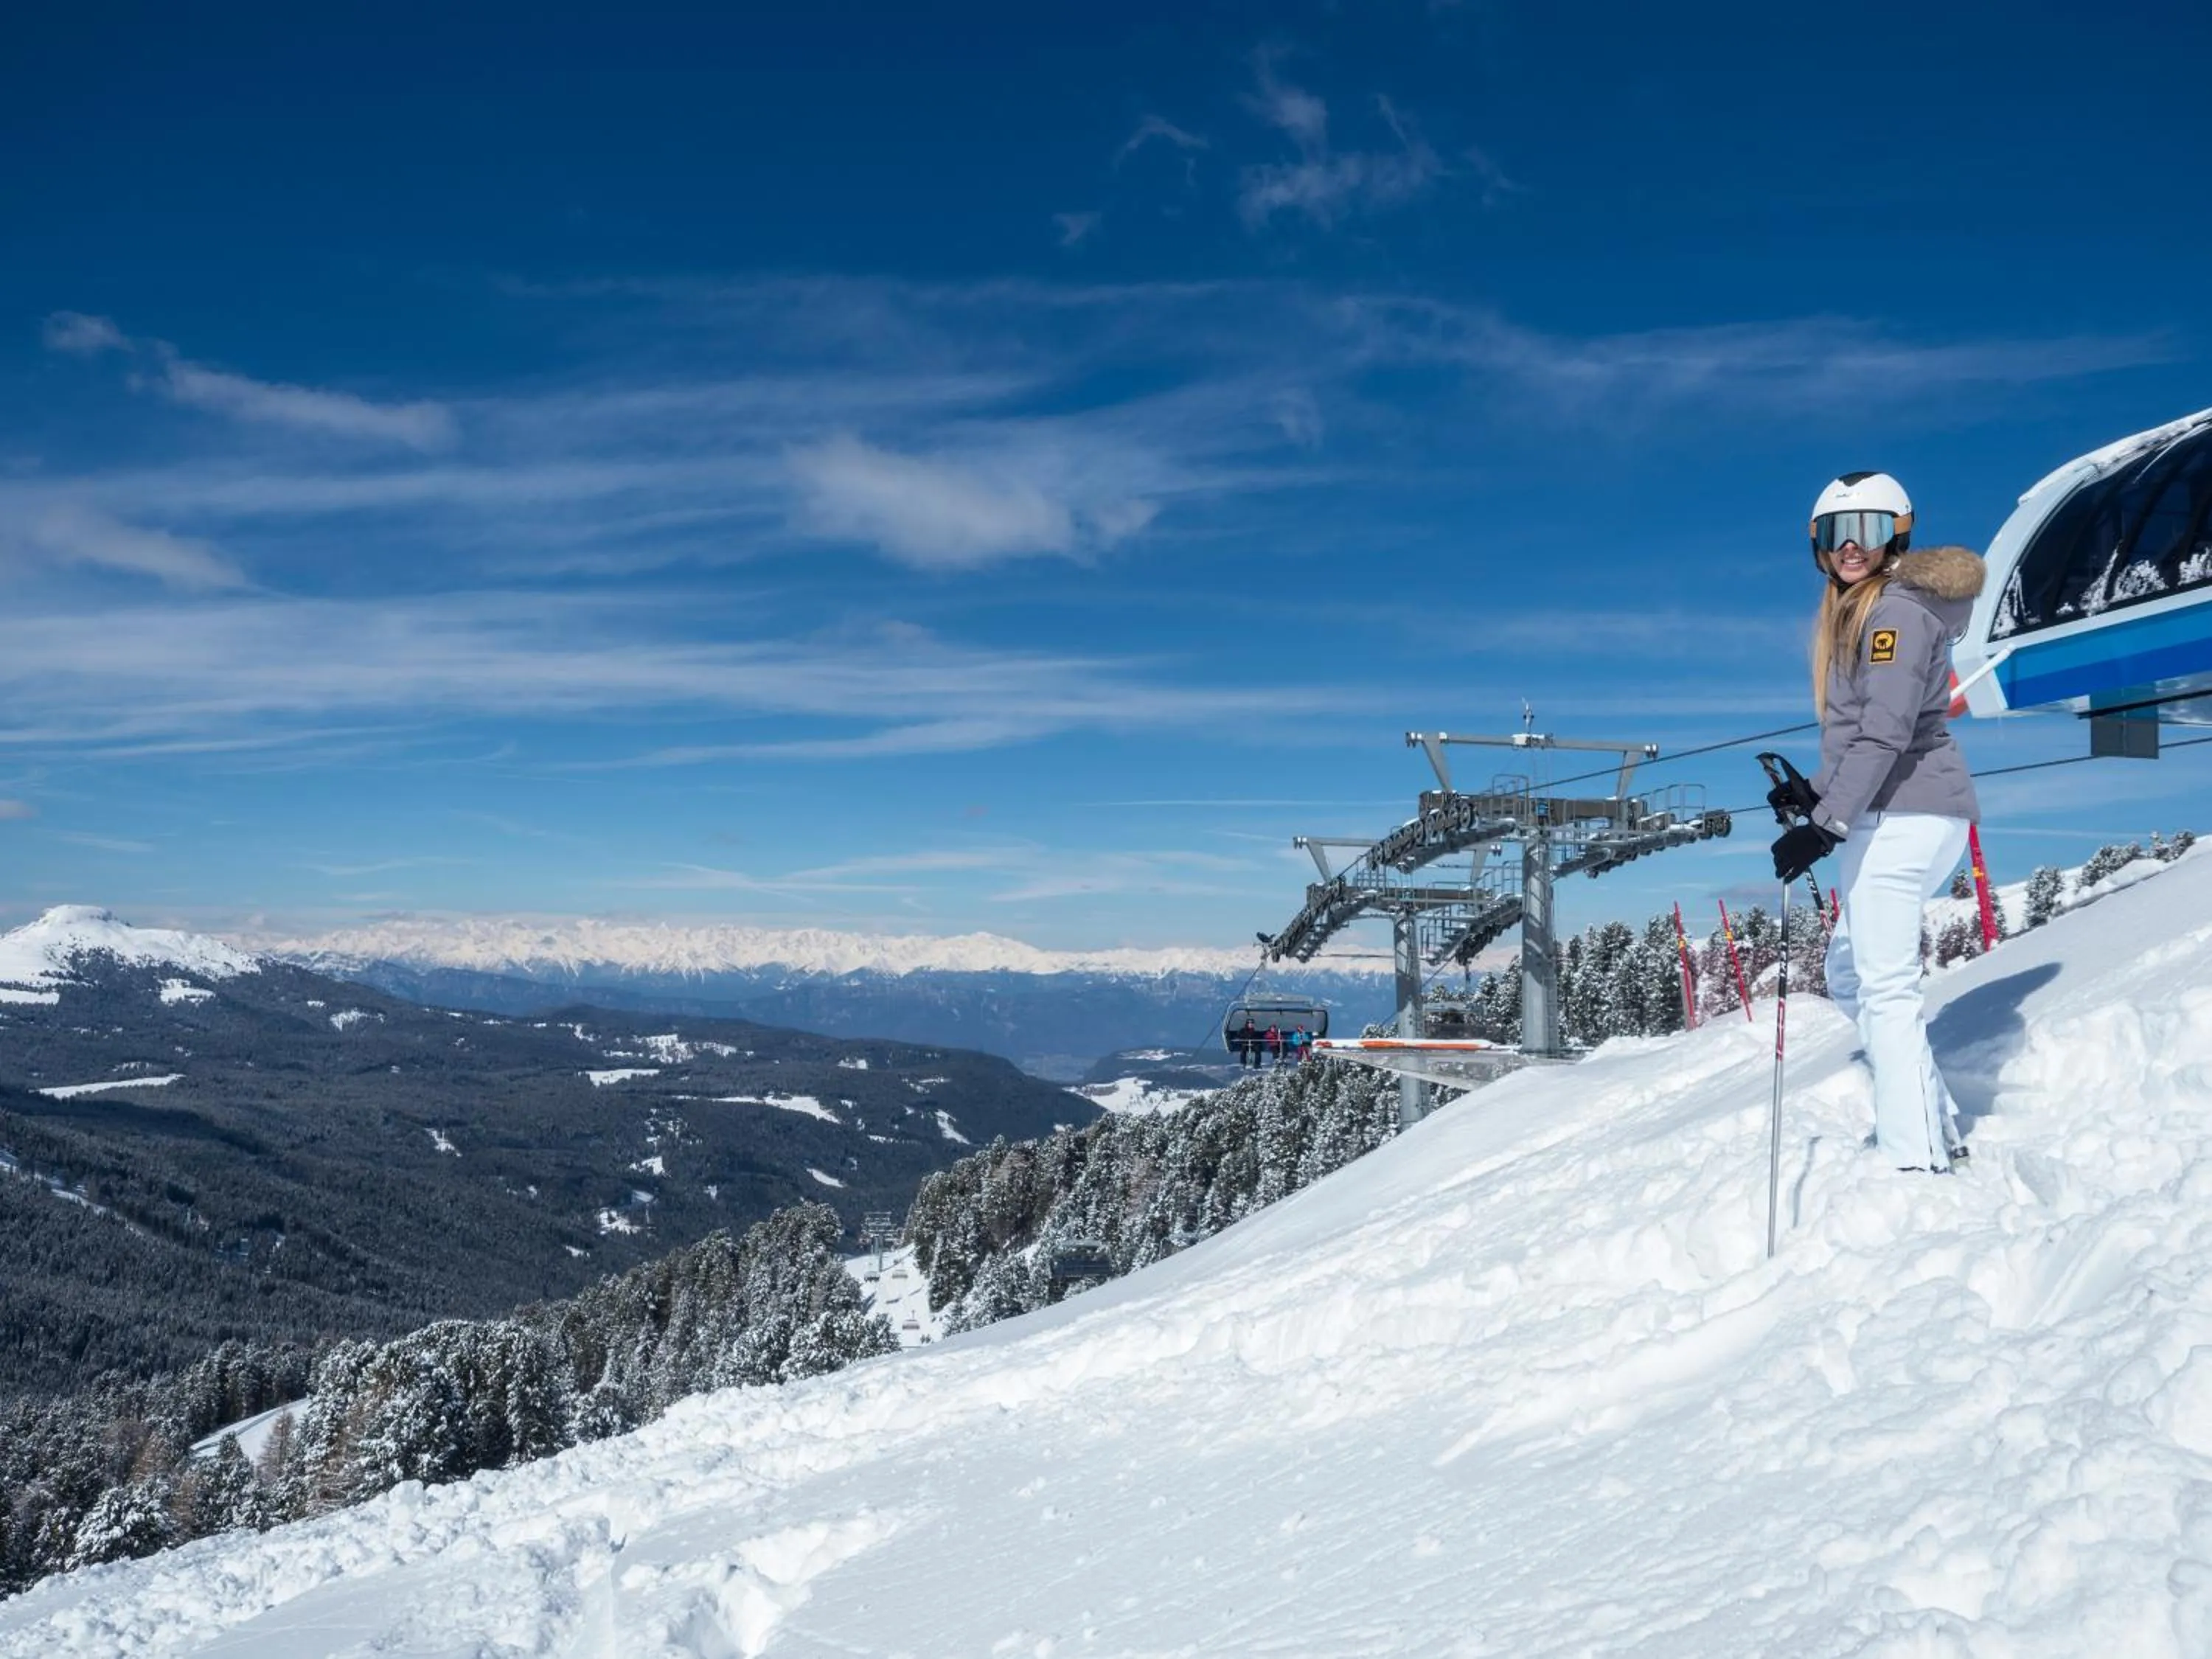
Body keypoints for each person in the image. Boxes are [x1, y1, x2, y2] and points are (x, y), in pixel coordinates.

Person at [1768, 471, 1985, 1173]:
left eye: (1866, 528)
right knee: (1849, 974)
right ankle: (1934, 1121)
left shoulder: (1892, 614)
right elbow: (1865, 735)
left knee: (1885, 988)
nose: (1850, 546)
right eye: (1836, 533)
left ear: (1897, 532)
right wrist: (1815, 795)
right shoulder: (1865, 614)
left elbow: (1888, 732)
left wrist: (1825, 824)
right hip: (1899, 811)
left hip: (1906, 813)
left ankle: (1912, 1159)